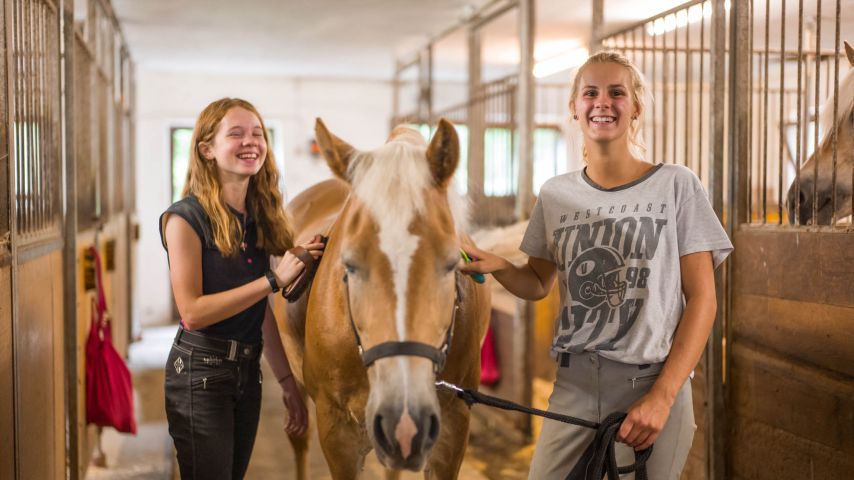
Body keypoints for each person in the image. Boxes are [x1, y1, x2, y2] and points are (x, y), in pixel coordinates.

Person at [461, 51, 733, 479]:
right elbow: (537, 282)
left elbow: (702, 299)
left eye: (616, 93)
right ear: (574, 107)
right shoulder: (554, 195)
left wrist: (663, 396)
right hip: (575, 384)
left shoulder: (676, 185)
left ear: (636, 106)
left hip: (650, 379)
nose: (602, 103)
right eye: (590, 92)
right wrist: (497, 265)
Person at [159, 98, 324, 479]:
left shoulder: (257, 218)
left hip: (247, 372)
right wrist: (273, 280)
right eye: (235, 134)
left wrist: (287, 383)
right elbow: (193, 312)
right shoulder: (184, 218)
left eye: (257, 133)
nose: (250, 142)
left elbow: (258, 310)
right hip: (199, 373)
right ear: (207, 149)